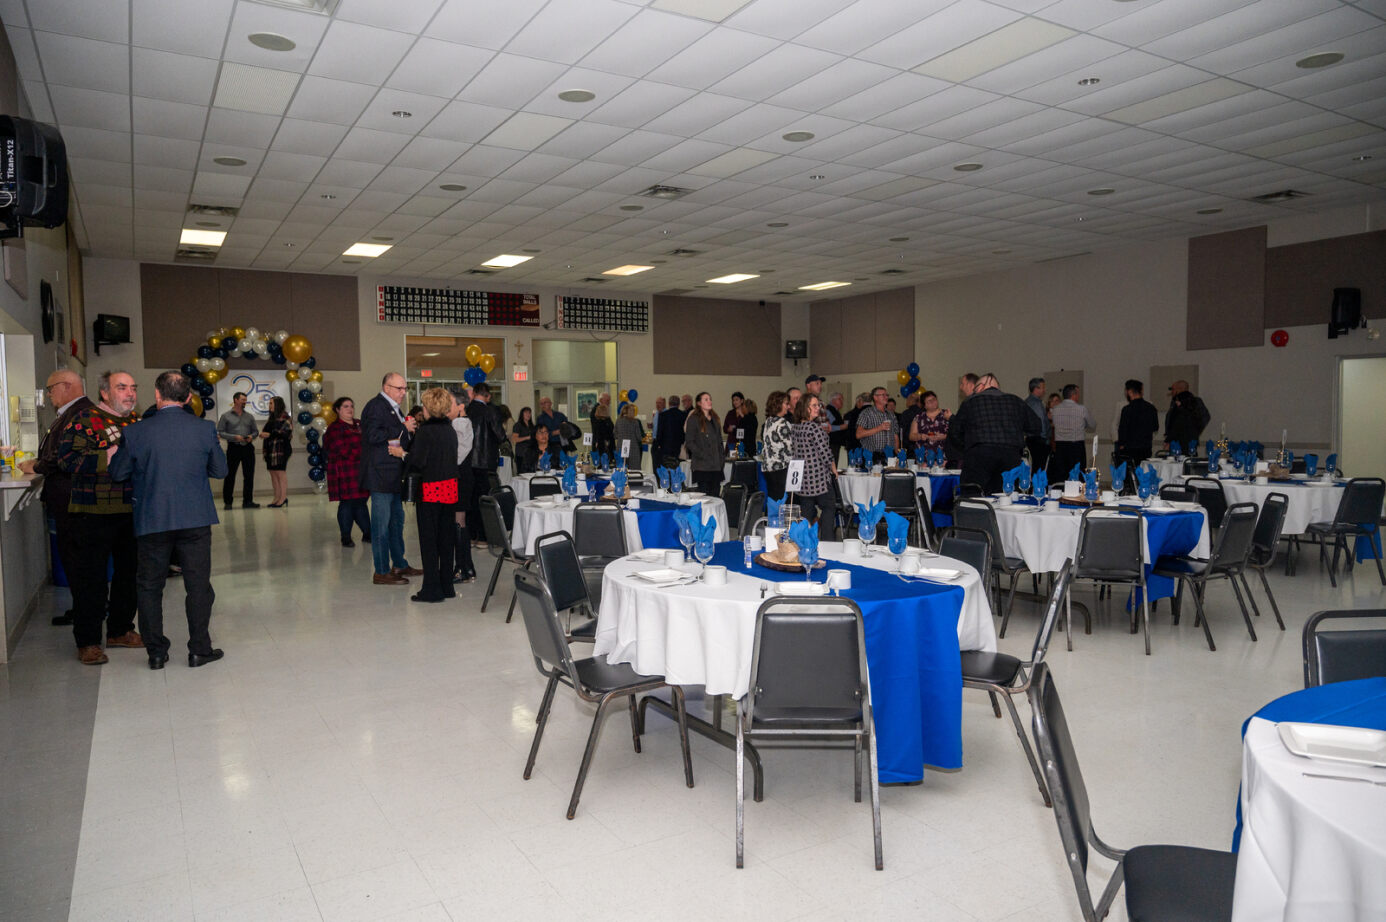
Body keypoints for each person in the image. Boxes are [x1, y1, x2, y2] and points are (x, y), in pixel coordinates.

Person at [109, 371, 227, 670]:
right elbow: (220, 471)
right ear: (189, 398)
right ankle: (200, 649)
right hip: (195, 519)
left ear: (157, 396)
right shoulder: (204, 429)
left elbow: (118, 474)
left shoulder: (136, 432)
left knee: (149, 586)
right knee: (198, 585)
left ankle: (157, 652)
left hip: (152, 518)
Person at [54, 370, 143, 665]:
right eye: (122, 388)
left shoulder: (137, 422)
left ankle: (120, 630)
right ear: (105, 393)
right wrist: (110, 456)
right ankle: (89, 641)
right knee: (90, 580)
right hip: (92, 514)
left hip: (130, 512)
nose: (129, 393)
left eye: (132, 388)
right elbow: (66, 460)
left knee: (128, 576)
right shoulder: (84, 420)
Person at [21, 369, 93, 626]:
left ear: (66, 386)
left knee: (78, 561)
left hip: (73, 501)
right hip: (68, 500)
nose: (49, 395)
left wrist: (38, 466)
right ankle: (84, 610)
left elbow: (66, 454)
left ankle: (87, 614)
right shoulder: (70, 414)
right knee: (75, 561)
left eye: (51, 389)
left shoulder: (81, 413)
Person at [359, 372, 420, 586]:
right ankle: (381, 570)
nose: (403, 393)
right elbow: (373, 436)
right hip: (380, 474)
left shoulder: (392, 407)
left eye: (405, 388)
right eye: (399, 388)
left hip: (393, 474)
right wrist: (403, 428)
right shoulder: (376, 407)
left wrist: (407, 434)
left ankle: (399, 563)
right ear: (386, 387)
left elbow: (393, 441)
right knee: (381, 526)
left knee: (396, 523)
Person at [402, 387, 460, 604]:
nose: (423, 409)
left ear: (429, 408)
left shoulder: (426, 432)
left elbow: (418, 461)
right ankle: (447, 586)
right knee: (446, 539)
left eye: (425, 405)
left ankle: (431, 589)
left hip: (431, 488)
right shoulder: (450, 430)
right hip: (450, 486)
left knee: (429, 540)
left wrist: (403, 454)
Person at [946, 373, 1038, 494]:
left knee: (973, 497)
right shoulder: (1016, 401)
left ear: (980, 387)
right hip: (1010, 456)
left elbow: (955, 432)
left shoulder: (970, 402)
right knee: (1007, 497)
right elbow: (1036, 426)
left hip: (979, 455)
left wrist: (968, 447)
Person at [323, 396, 370, 547]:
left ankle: (368, 533)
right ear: (337, 410)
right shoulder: (335, 428)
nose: (350, 409)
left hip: (362, 470)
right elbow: (340, 449)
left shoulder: (360, 424)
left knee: (361, 502)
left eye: (351, 406)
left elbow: (370, 441)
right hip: (344, 470)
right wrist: (364, 453)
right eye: (345, 406)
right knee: (347, 503)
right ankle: (346, 536)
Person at [790, 393, 837, 539]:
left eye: (819, 405)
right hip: (819, 480)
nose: (818, 408)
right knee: (829, 508)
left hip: (803, 481)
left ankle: (804, 543)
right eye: (814, 405)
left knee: (806, 514)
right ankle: (827, 541)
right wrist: (834, 470)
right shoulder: (814, 428)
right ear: (806, 408)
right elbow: (826, 454)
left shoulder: (795, 427)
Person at [466, 382, 506, 546]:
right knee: (484, 499)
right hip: (485, 462)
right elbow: (500, 435)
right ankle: (483, 537)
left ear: (474, 393)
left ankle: (470, 535)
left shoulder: (466, 410)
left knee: (470, 499)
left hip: (467, 461)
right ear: (488, 396)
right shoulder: (491, 411)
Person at [216, 391, 260, 509]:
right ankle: (228, 502)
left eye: (245, 400)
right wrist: (234, 437)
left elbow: (256, 431)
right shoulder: (226, 416)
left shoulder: (249, 416)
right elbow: (220, 432)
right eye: (242, 400)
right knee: (230, 475)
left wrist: (252, 436)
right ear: (235, 400)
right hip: (233, 448)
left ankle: (248, 501)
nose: (245, 402)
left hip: (248, 448)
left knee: (249, 476)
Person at [450, 389, 476, 583]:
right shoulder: (460, 422)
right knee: (460, 522)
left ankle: (462, 567)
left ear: (460, 406)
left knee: (459, 522)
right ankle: (467, 566)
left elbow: (457, 456)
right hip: (463, 477)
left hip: (460, 478)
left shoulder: (460, 423)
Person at [683, 392, 724, 495]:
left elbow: (719, 441)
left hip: (716, 466)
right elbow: (689, 442)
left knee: (715, 495)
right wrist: (702, 454)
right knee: (704, 495)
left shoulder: (715, 419)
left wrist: (721, 459)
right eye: (706, 399)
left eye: (710, 399)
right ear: (699, 403)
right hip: (702, 466)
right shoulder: (693, 419)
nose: (709, 401)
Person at [1051, 384, 1096, 476]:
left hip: (1060, 446)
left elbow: (1054, 424)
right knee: (1077, 475)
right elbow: (1092, 425)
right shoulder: (1081, 409)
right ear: (1074, 395)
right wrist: (1084, 425)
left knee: (1062, 474)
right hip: (1076, 446)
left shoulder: (1055, 409)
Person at [1116, 379, 1160, 466]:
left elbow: (1122, 430)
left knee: (1130, 476)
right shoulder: (1151, 408)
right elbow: (1155, 427)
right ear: (1141, 391)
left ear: (1129, 392)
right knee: (1143, 474)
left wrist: (1121, 445)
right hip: (1145, 448)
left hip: (1129, 449)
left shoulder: (1127, 409)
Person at [260, 396, 293, 507]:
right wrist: (264, 434)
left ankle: (283, 498)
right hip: (270, 449)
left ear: (277, 404)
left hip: (281, 449)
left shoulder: (285, 417)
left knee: (280, 473)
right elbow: (267, 430)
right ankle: (277, 497)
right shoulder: (272, 418)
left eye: (271, 403)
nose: (269, 406)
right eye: (269, 403)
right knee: (273, 473)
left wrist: (269, 434)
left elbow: (285, 433)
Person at [855, 386, 900, 466]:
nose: (886, 397)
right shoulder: (866, 413)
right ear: (875, 397)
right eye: (883, 395)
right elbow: (859, 434)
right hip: (872, 456)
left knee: (889, 478)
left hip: (890, 456)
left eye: (887, 395)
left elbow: (895, 435)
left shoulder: (891, 415)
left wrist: (898, 454)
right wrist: (880, 428)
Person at [761, 391, 792, 501]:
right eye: (786, 403)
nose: (788, 406)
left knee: (772, 500)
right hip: (780, 468)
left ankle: (771, 518)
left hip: (768, 467)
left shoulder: (768, 421)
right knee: (782, 500)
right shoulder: (783, 423)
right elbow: (790, 449)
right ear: (779, 404)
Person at [1165, 380, 1211, 450]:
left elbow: (1175, 423)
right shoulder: (1194, 401)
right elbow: (1205, 417)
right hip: (1190, 440)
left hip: (1178, 441)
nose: (1172, 392)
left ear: (1179, 389)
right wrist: (1196, 431)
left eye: (1173, 389)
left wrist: (1169, 438)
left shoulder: (1181, 404)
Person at [1024, 377, 1050, 473]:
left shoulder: (1027, 402)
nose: (1044, 390)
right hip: (1038, 440)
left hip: (1031, 439)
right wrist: (1045, 439)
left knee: (1034, 467)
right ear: (1036, 389)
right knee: (1039, 469)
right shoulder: (1036, 404)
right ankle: (1038, 487)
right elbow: (1041, 423)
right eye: (1042, 387)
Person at [654, 394, 686, 470]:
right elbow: (684, 431)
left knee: (666, 467)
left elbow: (660, 431)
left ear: (669, 403)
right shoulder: (683, 415)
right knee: (676, 467)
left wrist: (658, 444)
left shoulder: (663, 415)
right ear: (678, 404)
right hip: (678, 446)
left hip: (665, 446)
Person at [614, 402, 645, 468]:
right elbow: (639, 437)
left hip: (621, 448)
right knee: (634, 471)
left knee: (621, 468)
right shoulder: (635, 422)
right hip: (633, 449)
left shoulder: (618, 421)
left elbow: (615, 435)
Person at [511, 406, 538, 473]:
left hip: (532, 453)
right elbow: (514, 439)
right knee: (522, 472)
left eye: (529, 413)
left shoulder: (532, 425)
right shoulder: (518, 425)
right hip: (521, 453)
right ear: (522, 414)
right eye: (526, 413)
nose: (528, 414)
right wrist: (527, 437)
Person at [825, 392, 847, 465]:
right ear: (833, 400)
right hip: (831, 443)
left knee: (835, 462)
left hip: (835, 442)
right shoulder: (828, 410)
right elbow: (826, 427)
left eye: (842, 399)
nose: (842, 401)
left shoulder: (835, 411)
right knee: (832, 463)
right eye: (839, 399)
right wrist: (841, 427)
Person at [843, 393, 868, 457]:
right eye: (863, 401)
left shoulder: (867, 413)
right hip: (853, 444)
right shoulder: (849, 414)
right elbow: (847, 430)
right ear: (858, 402)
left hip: (862, 444)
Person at [650, 396, 667, 470]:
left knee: (661, 465)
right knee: (655, 464)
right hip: (655, 441)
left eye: (660, 403)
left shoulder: (667, 414)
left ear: (664, 404)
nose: (658, 405)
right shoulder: (656, 413)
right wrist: (652, 426)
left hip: (662, 442)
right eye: (657, 403)